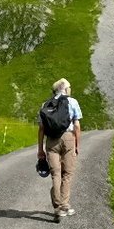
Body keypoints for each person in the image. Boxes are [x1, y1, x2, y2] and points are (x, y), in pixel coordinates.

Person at [38, 78, 82, 220]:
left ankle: (58, 208)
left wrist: (40, 149)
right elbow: (77, 126)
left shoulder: (45, 104)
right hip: (68, 138)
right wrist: (77, 145)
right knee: (67, 174)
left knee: (55, 174)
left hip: (51, 141)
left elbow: (41, 129)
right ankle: (65, 204)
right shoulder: (72, 102)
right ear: (66, 89)